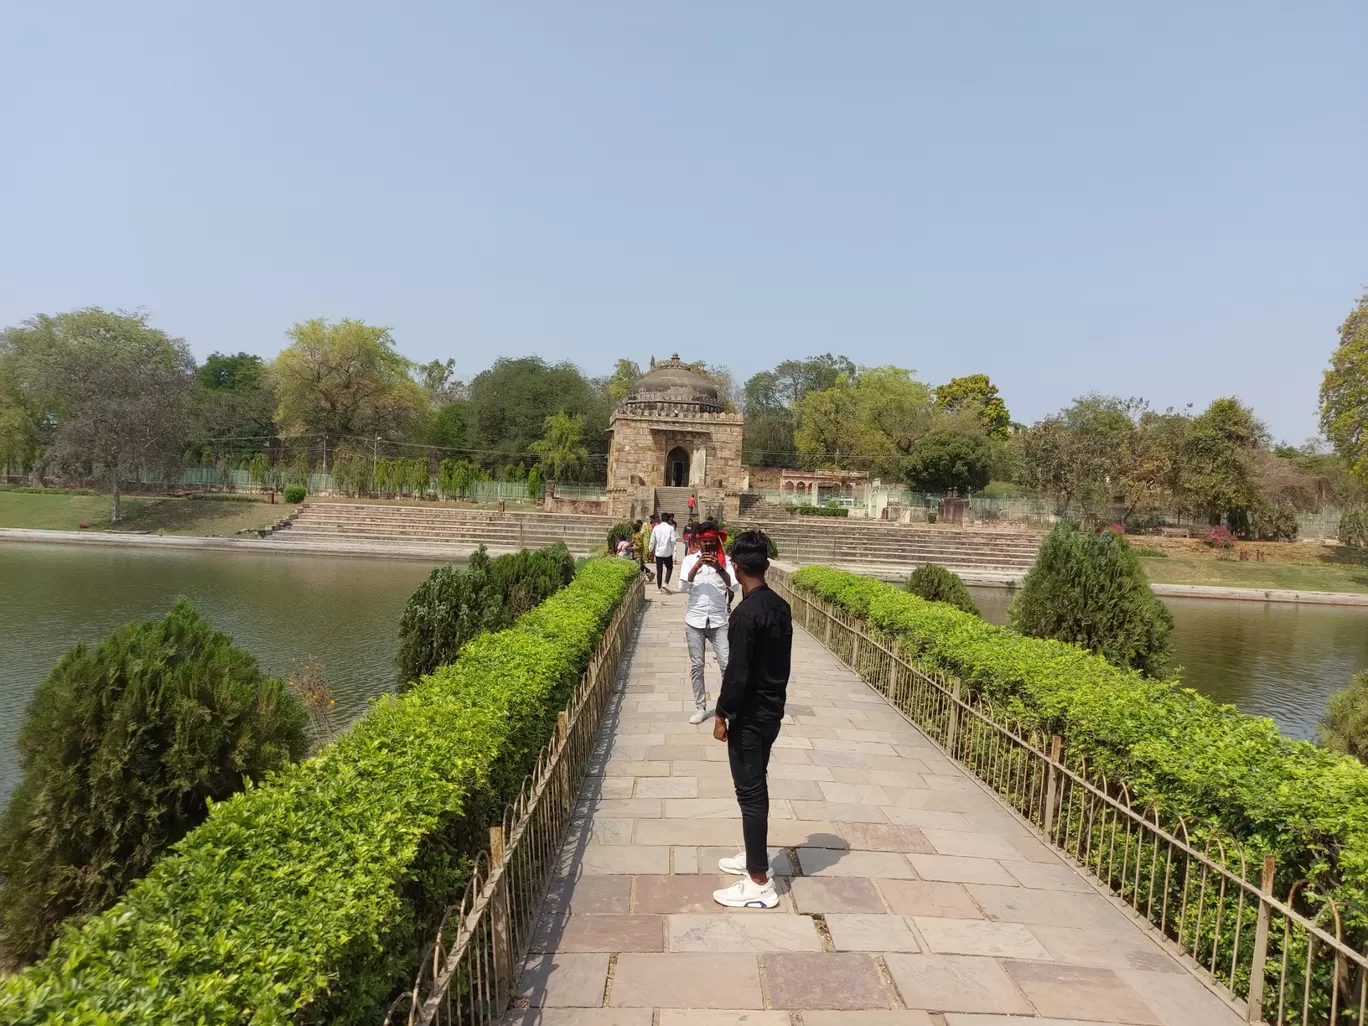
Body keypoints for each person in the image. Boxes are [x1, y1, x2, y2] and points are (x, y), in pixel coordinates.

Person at [711, 530, 790, 910]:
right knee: (757, 783)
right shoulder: (779, 606)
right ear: (767, 566)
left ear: (735, 567)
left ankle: (758, 880)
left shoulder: (745, 615)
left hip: (751, 715)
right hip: (772, 709)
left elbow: (737, 673)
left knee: (751, 793)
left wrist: (722, 713)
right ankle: (753, 856)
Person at [678, 521, 733, 725]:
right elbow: (684, 586)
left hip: (719, 619)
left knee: (727, 664)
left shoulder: (725, 561)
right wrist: (699, 565)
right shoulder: (689, 560)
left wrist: (718, 568)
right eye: (704, 543)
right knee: (697, 665)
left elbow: (733, 586)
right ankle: (700, 707)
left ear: (716, 541)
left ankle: (724, 706)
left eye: (711, 542)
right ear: (698, 543)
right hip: (695, 618)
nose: (708, 546)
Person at [650, 514, 676, 591]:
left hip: (658, 552)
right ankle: (665, 583)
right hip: (667, 552)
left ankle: (659, 587)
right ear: (668, 520)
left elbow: (652, 540)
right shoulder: (670, 528)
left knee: (659, 570)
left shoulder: (656, 528)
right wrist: (671, 550)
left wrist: (650, 549)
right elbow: (673, 540)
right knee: (669, 568)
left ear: (661, 519)